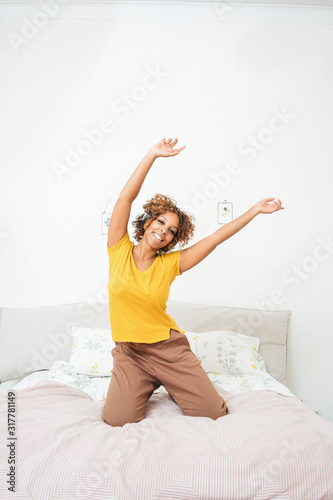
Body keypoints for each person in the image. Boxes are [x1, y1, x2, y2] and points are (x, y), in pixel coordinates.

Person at [101, 137, 285, 427]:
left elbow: (214, 239)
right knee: (115, 421)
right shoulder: (118, 248)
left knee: (214, 415)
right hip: (129, 353)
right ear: (148, 222)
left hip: (167, 350)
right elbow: (126, 198)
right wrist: (152, 155)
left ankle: (175, 384)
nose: (164, 231)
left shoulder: (171, 263)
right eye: (160, 222)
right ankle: (147, 384)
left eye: (172, 231)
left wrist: (255, 210)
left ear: (174, 239)